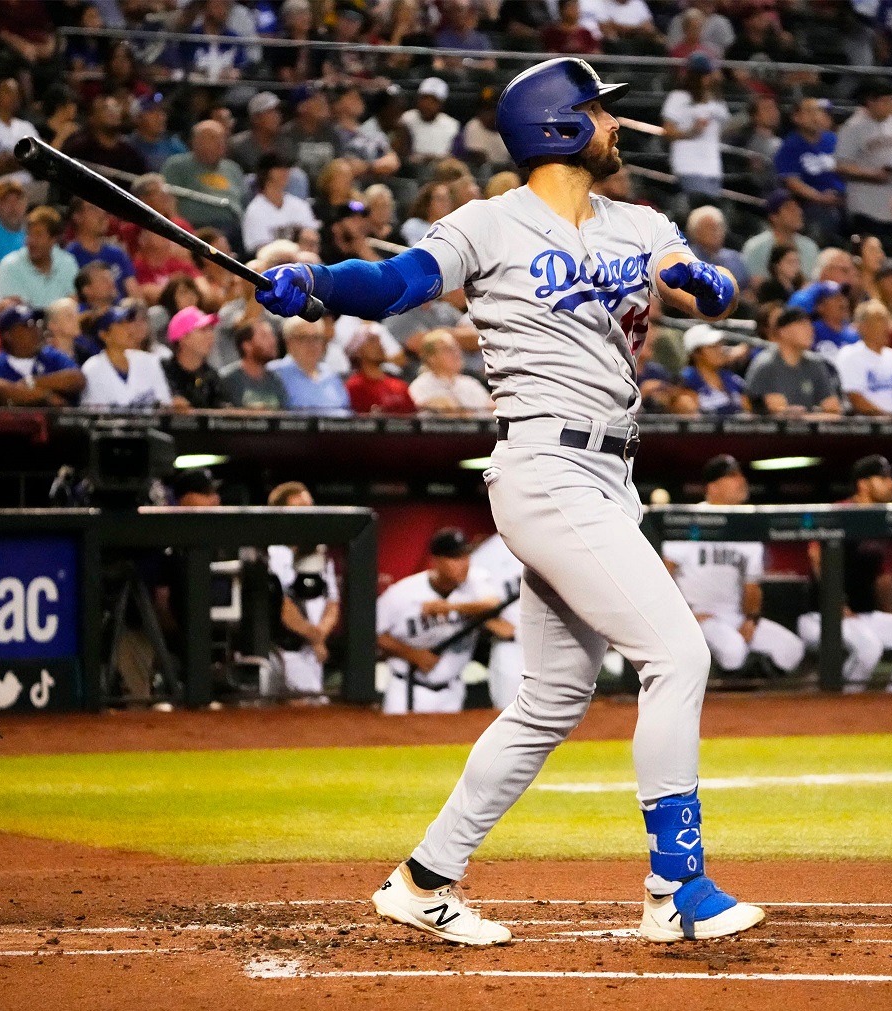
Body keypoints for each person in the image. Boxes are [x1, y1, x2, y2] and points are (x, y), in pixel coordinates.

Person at [254, 57, 764, 944]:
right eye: (602, 113)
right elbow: (395, 283)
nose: (616, 126)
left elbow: (686, 271)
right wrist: (317, 283)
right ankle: (675, 886)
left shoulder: (640, 222)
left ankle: (423, 879)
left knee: (551, 699)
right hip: (544, 466)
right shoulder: (490, 223)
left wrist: (704, 282)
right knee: (678, 654)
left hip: (612, 475)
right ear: (562, 125)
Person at [798, 455, 892, 692]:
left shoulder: (880, 519)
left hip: (863, 616)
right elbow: (817, 556)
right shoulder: (840, 511)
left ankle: (890, 707)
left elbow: (883, 579)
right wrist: (836, 603)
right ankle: (839, 707)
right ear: (863, 484)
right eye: (883, 478)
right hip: (821, 615)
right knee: (869, 649)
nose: (891, 484)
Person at [661, 455, 805, 676]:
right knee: (734, 652)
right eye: (731, 476)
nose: (741, 480)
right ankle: (722, 690)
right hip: (698, 616)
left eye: (740, 474)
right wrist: (682, 615)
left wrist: (750, 620)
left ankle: (750, 695)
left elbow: (752, 586)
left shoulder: (747, 526)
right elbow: (664, 574)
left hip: (734, 616)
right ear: (713, 487)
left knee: (791, 649)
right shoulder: (691, 520)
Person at [376, 528, 506, 716]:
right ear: (435, 561)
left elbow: (493, 605)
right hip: (408, 689)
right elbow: (372, 634)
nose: (463, 564)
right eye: (455, 558)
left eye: (465, 556)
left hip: (452, 692)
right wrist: (413, 654)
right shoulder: (402, 593)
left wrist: (450, 607)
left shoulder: (475, 581)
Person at [266, 482, 341, 703]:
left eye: (309, 507)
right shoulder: (273, 553)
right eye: (299, 509)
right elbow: (282, 605)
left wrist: (319, 636)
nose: (307, 515)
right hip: (284, 649)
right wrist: (315, 638)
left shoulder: (319, 553)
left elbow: (332, 603)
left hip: (312, 652)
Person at [834, 78, 892, 250]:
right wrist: (873, 175)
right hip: (865, 208)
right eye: (885, 101)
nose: (890, 106)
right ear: (870, 101)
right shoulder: (852, 127)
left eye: (891, 101)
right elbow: (840, 166)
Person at [0, 304, 85, 406]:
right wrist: (45, 396)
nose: (36, 329)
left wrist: (31, 382)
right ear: (7, 335)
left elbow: (77, 379)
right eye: (28, 325)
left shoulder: (51, 355)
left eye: (37, 323)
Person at [744, 306, 841, 416]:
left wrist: (804, 416)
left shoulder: (816, 364)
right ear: (783, 331)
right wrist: (815, 415)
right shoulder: (766, 364)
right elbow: (777, 412)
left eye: (809, 324)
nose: (810, 329)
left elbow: (833, 409)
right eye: (802, 325)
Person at [774, 97, 844, 246]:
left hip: (842, 199)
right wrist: (819, 197)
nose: (814, 116)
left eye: (818, 111)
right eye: (809, 112)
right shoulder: (790, 145)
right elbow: (791, 181)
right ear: (796, 117)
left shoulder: (833, 140)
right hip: (810, 205)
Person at [467, 532, 524, 710]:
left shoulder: (559, 536)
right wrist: (495, 624)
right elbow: (465, 600)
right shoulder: (487, 554)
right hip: (513, 647)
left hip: (557, 644)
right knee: (509, 714)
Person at [659, 54, 729, 198]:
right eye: (704, 74)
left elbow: (724, 130)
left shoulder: (716, 100)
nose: (709, 78)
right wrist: (692, 132)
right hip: (689, 165)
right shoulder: (678, 98)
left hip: (713, 166)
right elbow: (668, 131)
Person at [160, 121, 246, 238]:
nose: (220, 143)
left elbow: (245, 201)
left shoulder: (233, 168)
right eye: (213, 138)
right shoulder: (177, 166)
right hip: (195, 230)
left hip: (233, 228)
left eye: (222, 138)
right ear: (196, 142)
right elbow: (167, 201)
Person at [80, 302, 173, 409]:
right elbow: (94, 418)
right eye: (121, 324)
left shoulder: (149, 361)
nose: (130, 328)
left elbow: (165, 405)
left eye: (128, 323)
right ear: (104, 335)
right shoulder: (92, 369)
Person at [0, 206, 77, 309]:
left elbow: (73, 303)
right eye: (29, 234)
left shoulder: (67, 263)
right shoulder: (9, 266)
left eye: (38, 235)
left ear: (53, 240)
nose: (31, 241)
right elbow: (15, 312)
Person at [272, 316, 350, 414]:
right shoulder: (274, 374)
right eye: (303, 338)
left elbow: (346, 411)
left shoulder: (331, 375)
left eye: (316, 338)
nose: (312, 344)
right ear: (288, 342)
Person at [741, 190, 819, 288]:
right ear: (774, 216)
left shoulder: (810, 247)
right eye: (790, 208)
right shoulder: (756, 246)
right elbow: (753, 282)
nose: (798, 212)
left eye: (798, 207)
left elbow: (811, 283)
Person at [243, 153, 318, 253]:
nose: (285, 172)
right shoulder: (255, 210)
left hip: (302, 263)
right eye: (279, 168)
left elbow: (312, 239)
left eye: (286, 168)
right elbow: (261, 250)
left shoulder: (299, 205)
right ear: (266, 173)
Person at [409, 330, 493, 415]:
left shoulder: (470, 383)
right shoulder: (420, 386)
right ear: (431, 357)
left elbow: (489, 412)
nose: (456, 353)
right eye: (448, 349)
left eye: (456, 348)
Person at [162, 306, 228, 409]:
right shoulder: (162, 371)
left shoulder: (211, 376)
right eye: (203, 330)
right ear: (183, 338)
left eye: (211, 329)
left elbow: (221, 411)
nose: (211, 335)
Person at [219, 318, 289, 410]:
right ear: (247, 346)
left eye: (272, 335)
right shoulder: (227, 380)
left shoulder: (276, 380)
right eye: (264, 336)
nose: (273, 341)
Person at [345, 324, 415, 415]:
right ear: (358, 351)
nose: (379, 345)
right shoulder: (354, 387)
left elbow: (413, 417)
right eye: (372, 341)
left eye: (379, 341)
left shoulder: (399, 386)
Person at [678, 324, 748, 415]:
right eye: (713, 347)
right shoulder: (686, 381)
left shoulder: (732, 379)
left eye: (720, 345)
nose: (720, 350)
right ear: (697, 353)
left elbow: (749, 411)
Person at [400, 78, 460, 167]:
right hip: (410, 170)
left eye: (433, 101)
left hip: (440, 171)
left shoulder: (452, 125)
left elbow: (454, 157)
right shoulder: (406, 119)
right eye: (424, 98)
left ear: (441, 104)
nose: (427, 104)